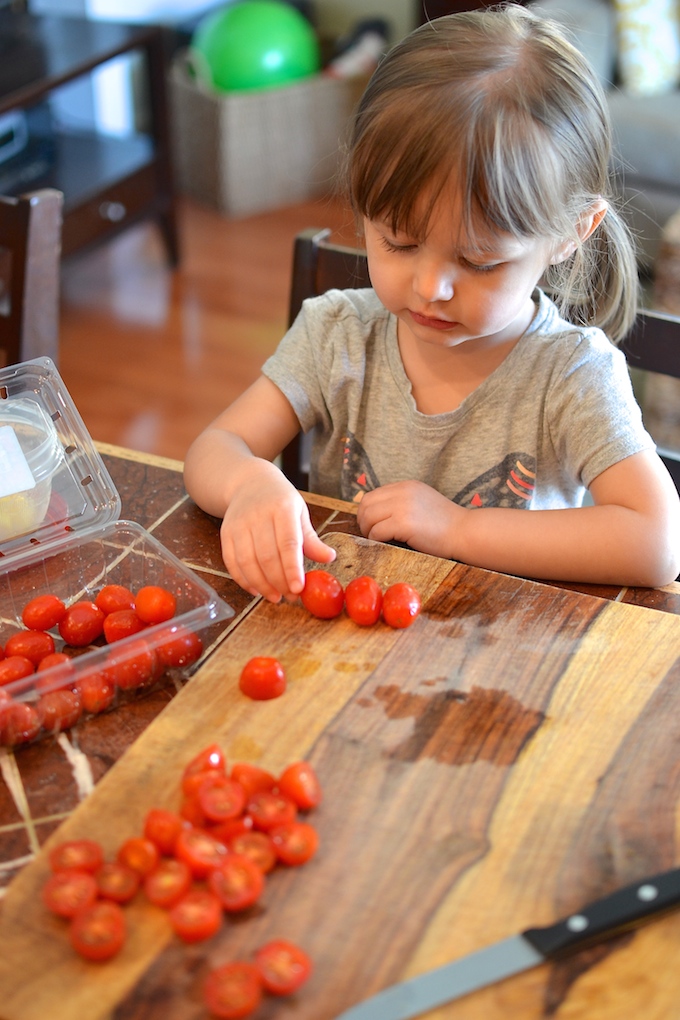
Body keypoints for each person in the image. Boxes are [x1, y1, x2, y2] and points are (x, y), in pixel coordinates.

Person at [184, 3, 680, 603]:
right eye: (398, 241)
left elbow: (657, 543)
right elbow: (214, 450)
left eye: (478, 262)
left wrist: (458, 527)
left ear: (571, 233)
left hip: (499, 651)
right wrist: (248, 483)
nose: (429, 289)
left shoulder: (573, 375)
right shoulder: (337, 333)